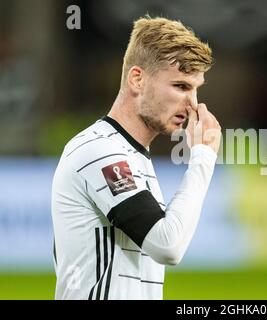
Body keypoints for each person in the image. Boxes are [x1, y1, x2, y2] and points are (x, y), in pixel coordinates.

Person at [51, 16, 221, 300]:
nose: (193, 103)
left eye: (195, 89)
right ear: (137, 79)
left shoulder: (133, 156)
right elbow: (167, 245)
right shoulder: (99, 151)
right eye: (180, 86)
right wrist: (203, 157)